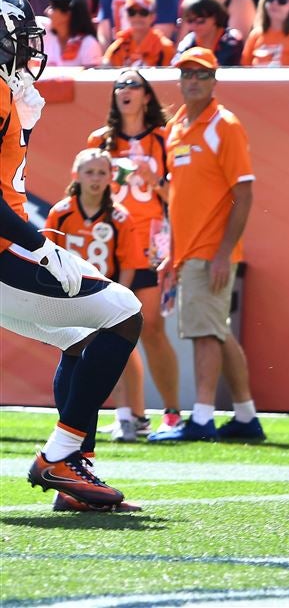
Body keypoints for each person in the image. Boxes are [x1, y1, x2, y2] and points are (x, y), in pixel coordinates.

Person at [0, 0, 143, 512]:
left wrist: (28, 122)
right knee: (125, 312)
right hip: (3, 253)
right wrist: (39, 246)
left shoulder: (6, 91)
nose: (27, 47)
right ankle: (59, 457)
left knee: (84, 338)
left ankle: (73, 476)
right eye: (19, 35)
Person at [149, 47, 265, 443]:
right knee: (216, 330)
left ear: (215, 80)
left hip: (211, 249)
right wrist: (172, 251)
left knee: (204, 334)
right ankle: (246, 416)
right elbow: (180, 196)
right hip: (190, 249)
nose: (193, 80)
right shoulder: (178, 125)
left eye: (200, 74)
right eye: (186, 73)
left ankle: (201, 418)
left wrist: (221, 252)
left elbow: (243, 193)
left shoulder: (224, 125)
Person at [88, 69, 183, 437]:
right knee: (114, 328)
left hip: (152, 242)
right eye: (119, 85)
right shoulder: (101, 140)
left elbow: (180, 197)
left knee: (154, 329)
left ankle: (173, 412)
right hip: (111, 243)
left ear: (147, 95)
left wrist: (152, 178)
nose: (125, 91)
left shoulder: (164, 138)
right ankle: (128, 413)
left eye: (133, 85)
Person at [45, 149, 144, 442]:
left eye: (102, 172)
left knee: (111, 356)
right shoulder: (61, 212)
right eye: (90, 172)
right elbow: (48, 257)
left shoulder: (119, 217)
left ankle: (124, 416)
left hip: (103, 297)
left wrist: (120, 299)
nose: (96, 179)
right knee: (73, 353)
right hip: (70, 297)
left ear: (112, 177)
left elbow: (127, 264)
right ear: (76, 175)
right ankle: (71, 427)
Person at [102, 0, 176, 68]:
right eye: (132, 12)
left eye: (143, 12)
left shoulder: (165, 48)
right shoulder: (117, 47)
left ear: (153, 16)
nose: (137, 17)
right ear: (126, 15)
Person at [177, 0, 245, 67]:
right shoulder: (188, 41)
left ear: (215, 17)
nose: (194, 25)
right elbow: (175, 65)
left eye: (200, 21)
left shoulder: (231, 40)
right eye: (190, 21)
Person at [41, 0, 103, 68]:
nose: (46, 11)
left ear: (67, 14)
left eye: (52, 8)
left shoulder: (88, 43)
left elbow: (92, 78)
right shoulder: (44, 35)